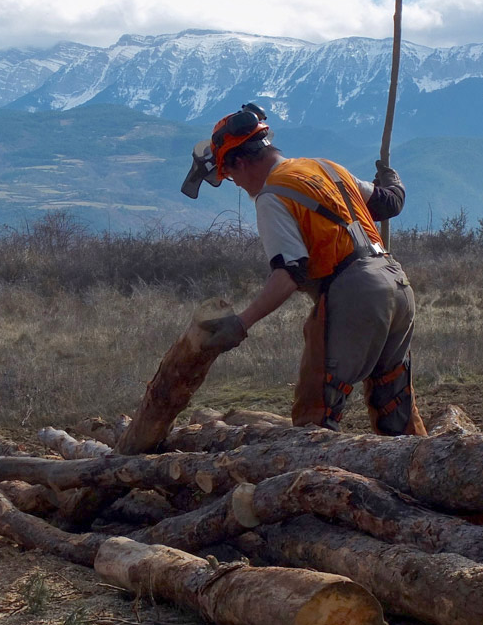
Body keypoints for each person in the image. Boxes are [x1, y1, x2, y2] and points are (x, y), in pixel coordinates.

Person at [181, 104, 426, 436]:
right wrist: (392, 180)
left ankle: (317, 482)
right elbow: (389, 203)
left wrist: (241, 323)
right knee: (393, 402)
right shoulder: (325, 168)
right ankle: (417, 468)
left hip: (356, 294)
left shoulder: (272, 196)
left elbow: (289, 273)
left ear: (240, 162)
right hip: (397, 284)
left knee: (316, 413)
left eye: (230, 174)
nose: (236, 184)